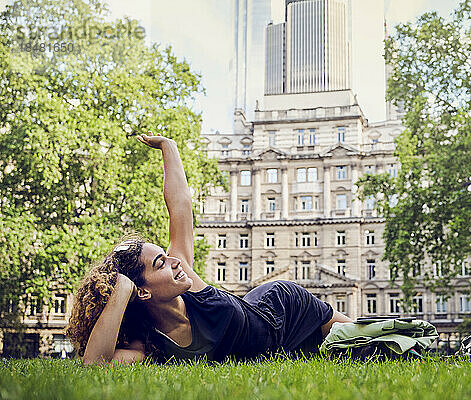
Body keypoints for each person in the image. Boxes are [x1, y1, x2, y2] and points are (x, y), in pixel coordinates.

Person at [66, 132, 351, 365]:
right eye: (160, 264)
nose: (174, 262)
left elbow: (180, 206)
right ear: (141, 291)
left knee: (371, 340)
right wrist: (121, 289)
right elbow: (95, 365)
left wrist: (169, 147)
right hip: (277, 352)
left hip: (285, 310)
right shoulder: (149, 341)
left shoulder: (187, 279)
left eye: (166, 257)